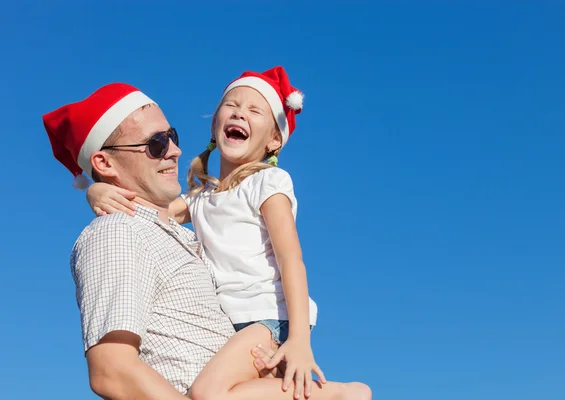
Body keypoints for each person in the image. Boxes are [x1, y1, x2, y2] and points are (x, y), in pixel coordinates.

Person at [86, 67, 372, 400]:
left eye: (255, 110)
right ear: (214, 125)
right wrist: (96, 191)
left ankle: (343, 394)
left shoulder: (269, 184)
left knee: (208, 394)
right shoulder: (201, 198)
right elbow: (152, 214)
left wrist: (298, 340)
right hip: (234, 322)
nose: (240, 112)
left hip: (267, 316)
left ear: (274, 140)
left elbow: (291, 259)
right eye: (231, 104)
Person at [43, 83, 278, 400]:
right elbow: (112, 371)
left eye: (172, 137)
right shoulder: (119, 232)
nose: (175, 151)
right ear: (104, 164)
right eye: (156, 144)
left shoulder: (184, 236)